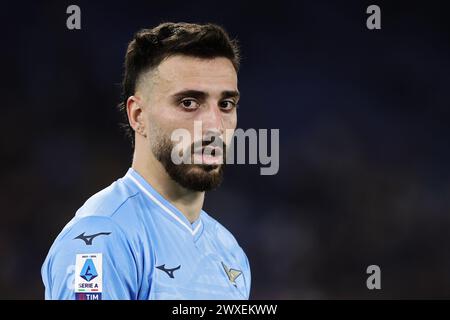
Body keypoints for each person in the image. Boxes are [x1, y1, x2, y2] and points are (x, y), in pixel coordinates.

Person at [41, 22, 250, 300]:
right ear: (138, 115)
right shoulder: (103, 237)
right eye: (189, 102)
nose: (213, 126)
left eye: (226, 105)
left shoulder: (230, 252)